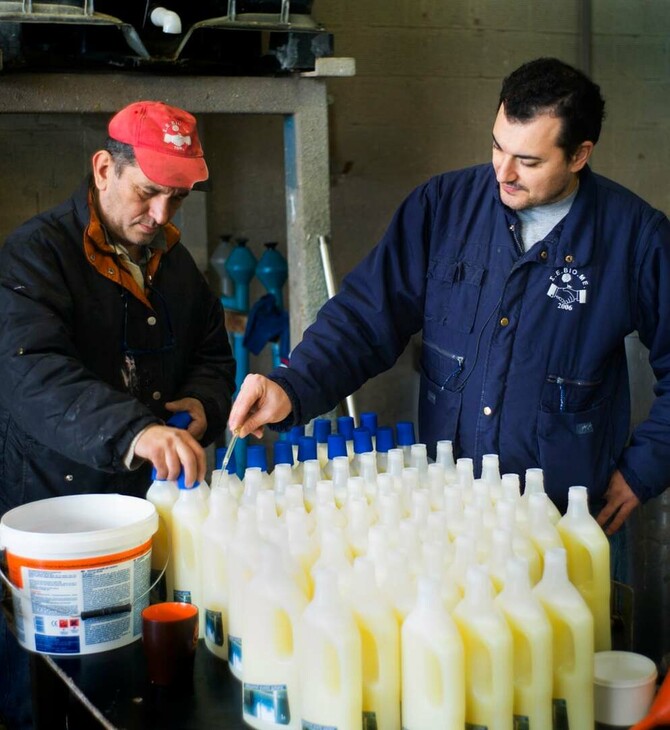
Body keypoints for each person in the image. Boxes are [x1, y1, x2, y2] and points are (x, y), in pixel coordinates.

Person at [230, 57, 670, 536]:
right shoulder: (443, 207)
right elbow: (364, 317)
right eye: (498, 147)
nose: (504, 172)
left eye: (529, 161)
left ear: (579, 155)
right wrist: (291, 386)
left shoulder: (634, 238)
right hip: (451, 509)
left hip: (563, 520)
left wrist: (642, 470)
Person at [0, 101, 236, 729]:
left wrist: (204, 403)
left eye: (177, 200)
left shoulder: (172, 262)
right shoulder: (34, 257)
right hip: (60, 516)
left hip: (145, 516)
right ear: (104, 168)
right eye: (149, 193)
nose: (161, 217)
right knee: (59, 692)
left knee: (141, 692)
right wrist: (134, 429)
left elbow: (213, 349)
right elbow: (30, 372)